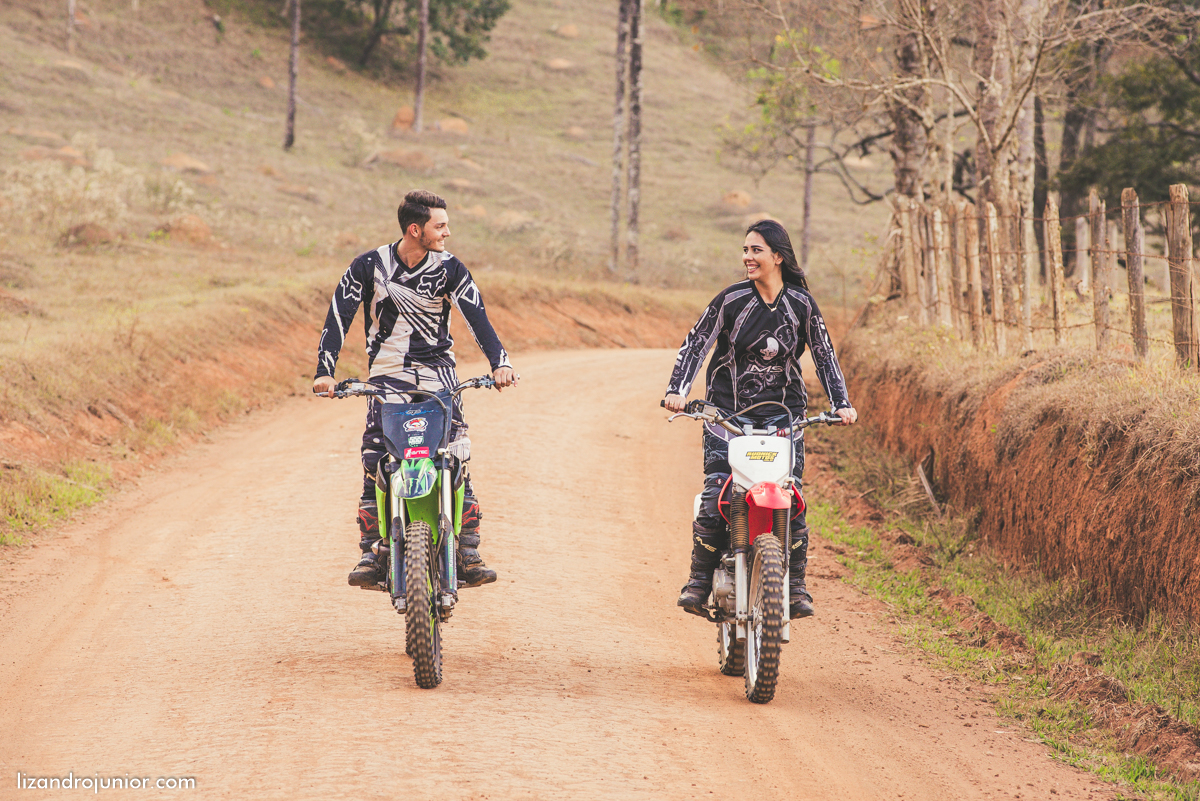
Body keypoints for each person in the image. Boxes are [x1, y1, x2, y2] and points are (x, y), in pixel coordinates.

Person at [312, 189, 517, 588]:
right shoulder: (369, 266)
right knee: (376, 459)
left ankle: (468, 550)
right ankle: (372, 551)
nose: (447, 232)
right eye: (440, 226)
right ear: (415, 229)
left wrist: (500, 363)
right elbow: (338, 315)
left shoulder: (450, 268)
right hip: (387, 379)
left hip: (439, 375)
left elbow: (477, 317)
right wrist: (325, 370)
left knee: (456, 453)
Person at [663, 219, 856, 620]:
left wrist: (841, 402)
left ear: (778, 257)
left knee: (793, 500)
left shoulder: (802, 305)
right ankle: (699, 581)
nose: (747, 257)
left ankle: (796, 585)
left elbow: (824, 354)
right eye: (746, 250)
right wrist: (678, 390)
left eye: (756, 251)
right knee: (719, 494)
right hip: (726, 415)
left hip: (784, 418)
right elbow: (697, 342)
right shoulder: (731, 300)